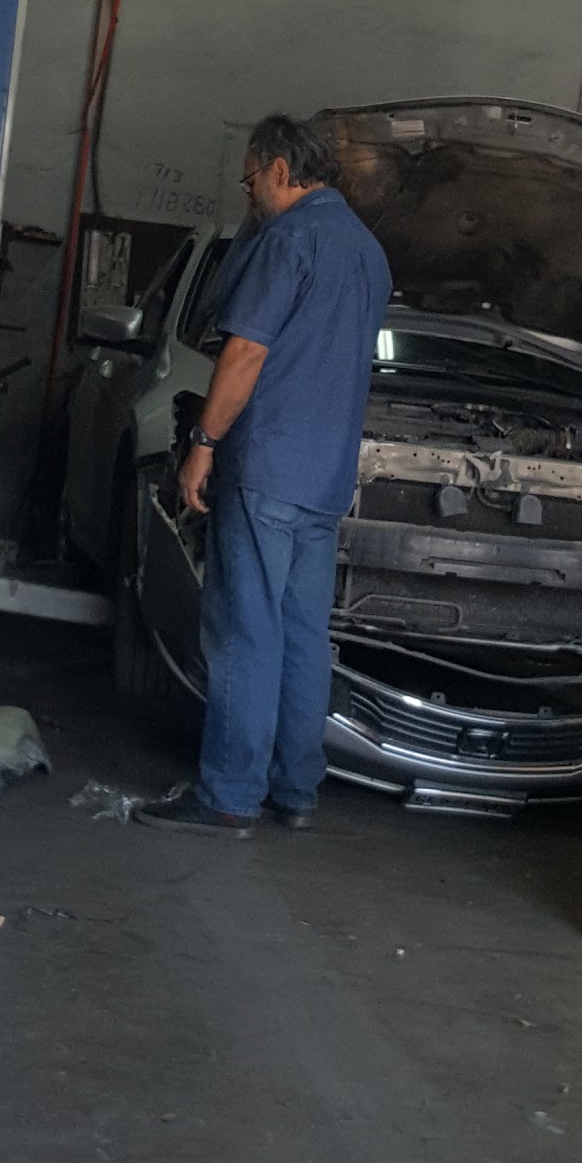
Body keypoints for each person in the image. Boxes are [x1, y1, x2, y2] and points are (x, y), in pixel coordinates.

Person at [135, 114, 392, 839]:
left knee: (245, 631)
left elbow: (245, 354)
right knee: (304, 635)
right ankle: (296, 789)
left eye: (251, 180)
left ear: (281, 169)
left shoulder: (288, 239)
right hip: (326, 476)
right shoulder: (369, 252)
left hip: (269, 465)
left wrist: (203, 442)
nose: (249, 194)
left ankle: (229, 794)